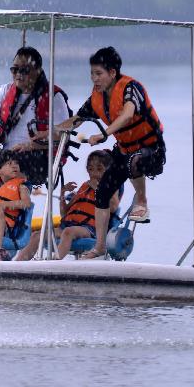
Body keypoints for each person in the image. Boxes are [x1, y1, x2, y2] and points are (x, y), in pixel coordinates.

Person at [51, 46, 165, 259]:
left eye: (99, 74)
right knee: (102, 192)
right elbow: (76, 120)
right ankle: (100, 246)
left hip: (151, 149)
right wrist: (52, 131)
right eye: (92, 74)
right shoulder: (97, 97)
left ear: (112, 73)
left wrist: (105, 133)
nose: (94, 79)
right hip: (124, 149)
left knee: (134, 161)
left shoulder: (131, 88)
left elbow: (127, 115)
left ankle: (142, 201)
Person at [0, 46, 71, 198]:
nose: (18, 74)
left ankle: (5, 215)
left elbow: (63, 134)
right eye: (15, 69)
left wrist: (30, 145)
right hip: (8, 156)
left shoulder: (54, 97)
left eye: (25, 70)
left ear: (37, 71)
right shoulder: (5, 90)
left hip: (39, 158)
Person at [14, 150, 120, 261]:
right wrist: (62, 193)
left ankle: (54, 261)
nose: (94, 173)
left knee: (68, 232)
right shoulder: (84, 186)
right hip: (68, 224)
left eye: (99, 169)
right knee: (37, 235)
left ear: (107, 171)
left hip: (89, 229)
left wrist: (97, 188)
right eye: (90, 169)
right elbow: (64, 213)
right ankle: (17, 265)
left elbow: (113, 207)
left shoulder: (111, 186)